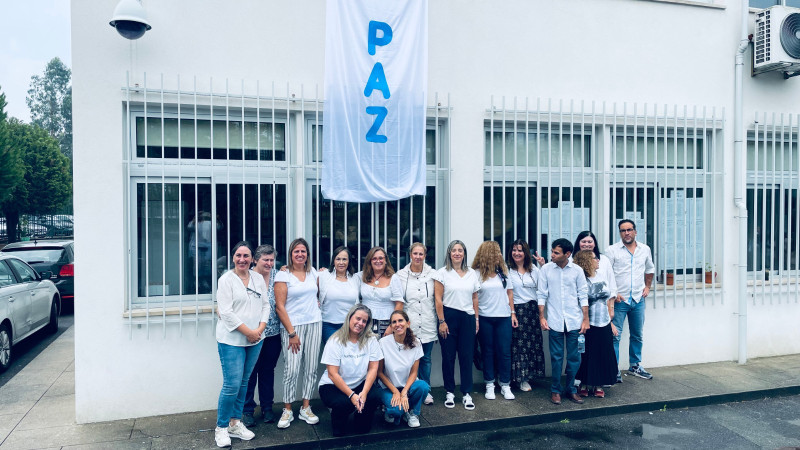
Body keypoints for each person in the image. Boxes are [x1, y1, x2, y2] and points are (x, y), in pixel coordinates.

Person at [214, 241, 270, 448]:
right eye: (238, 255)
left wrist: (260, 329)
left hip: (256, 339)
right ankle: (221, 427)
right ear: (233, 257)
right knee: (232, 385)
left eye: (246, 256)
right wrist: (249, 332)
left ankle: (235, 423)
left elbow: (266, 305)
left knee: (244, 382)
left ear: (252, 259)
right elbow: (226, 312)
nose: (242, 259)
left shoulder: (257, 278)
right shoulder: (226, 280)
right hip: (232, 340)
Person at [274, 238, 322, 429]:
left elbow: (318, 294)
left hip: (314, 324)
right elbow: (279, 307)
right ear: (291, 254)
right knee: (292, 369)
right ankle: (287, 409)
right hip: (292, 328)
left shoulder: (313, 273)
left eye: (303, 251)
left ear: (307, 254)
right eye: (296, 251)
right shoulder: (283, 275)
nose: (300, 254)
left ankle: (306, 407)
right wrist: (292, 333)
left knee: (311, 368)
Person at [537, 238, 589, 406]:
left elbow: (583, 295)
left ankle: (571, 389)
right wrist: (541, 317)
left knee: (575, 358)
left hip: (574, 321)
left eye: (556, 252)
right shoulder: (546, 269)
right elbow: (541, 294)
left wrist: (585, 320)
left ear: (567, 254)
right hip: (555, 320)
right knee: (556, 357)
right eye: (552, 251)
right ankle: (555, 390)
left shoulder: (577, 271)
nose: (552, 255)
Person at [318, 304, 383, 437]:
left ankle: (360, 417)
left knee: (375, 397)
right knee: (342, 408)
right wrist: (352, 395)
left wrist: (364, 393)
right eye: (358, 318)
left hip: (359, 384)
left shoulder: (371, 340)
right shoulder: (335, 340)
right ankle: (339, 416)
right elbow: (332, 374)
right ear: (349, 318)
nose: (360, 323)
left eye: (364, 321)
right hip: (333, 385)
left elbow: (373, 369)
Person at [605, 219, 655, 382]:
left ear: (635, 231)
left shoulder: (645, 249)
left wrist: (647, 287)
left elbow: (650, 269)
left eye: (629, 229)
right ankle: (613, 370)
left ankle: (635, 366)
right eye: (623, 230)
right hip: (619, 301)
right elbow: (606, 274)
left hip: (638, 299)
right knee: (615, 336)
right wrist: (614, 293)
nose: (626, 233)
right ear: (620, 233)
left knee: (637, 335)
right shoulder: (611, 251)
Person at [433, 240, 480, 410]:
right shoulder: (442, 273)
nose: (457, 253)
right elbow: (438, 299)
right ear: (449, 253)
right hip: (448, 317)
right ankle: (450, 392)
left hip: (467, 318)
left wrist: (476, 319)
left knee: (466, 356)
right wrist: (442, 321)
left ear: (464, 253)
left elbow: (475, 298)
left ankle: (467, 393)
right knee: (448, 357)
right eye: (454, 250)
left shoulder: (472, 273)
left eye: (460, 250)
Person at [390, 242, 437, 406]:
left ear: (425, 256)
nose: (418, 257)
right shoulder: (400, 275)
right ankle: (409, 390)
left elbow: (438, 299)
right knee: (408, 359)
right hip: (409, 325)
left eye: (421, 254)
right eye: (415, 253)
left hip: (428, 322)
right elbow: (398, 301)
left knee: (426, 359)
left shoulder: (433, 274)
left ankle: (426, 390)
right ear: (410, 255)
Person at [472, 241, 517, 401]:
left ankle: (505, 384)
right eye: (495, 252)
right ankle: (489, 384)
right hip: (485, 318)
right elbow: (474, 297)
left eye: (499, 252)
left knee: (504, 352)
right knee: (488, 352)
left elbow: (509, 293)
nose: (499, 255)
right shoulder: (476, 274)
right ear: (486, 255)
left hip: (504, 317)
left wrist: (513, 313)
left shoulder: (503, 272)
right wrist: (476, 319)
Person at [242, 245, 281, 426]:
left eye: (272, 260)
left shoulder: (278, 276)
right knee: (250, 372)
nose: (269, 263)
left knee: (267, 371)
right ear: (255, 260)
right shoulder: (247, 276)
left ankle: (267, 408)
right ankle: (247, 410)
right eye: (266, 260)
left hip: (273, 334)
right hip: (252, 333)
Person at [572, 250, 619, 398]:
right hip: (588, 322)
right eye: (594, 258)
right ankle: (585, 383)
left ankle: (599, 384)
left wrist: (610, 322)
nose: (598, 260)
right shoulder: (581, 279)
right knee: (587, 354)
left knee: (602, 353)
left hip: (603, 322)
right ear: (586, 261)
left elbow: (608, 298)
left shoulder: (601, 276)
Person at [378, 310, 430, 428]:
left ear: (408, 323)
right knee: (396, 411)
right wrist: (396, 392)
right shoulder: (383, 343)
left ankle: (412, 412)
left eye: (400, 320)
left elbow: (414, 372)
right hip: (388, 387)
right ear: (391, 326)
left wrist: (404, 392)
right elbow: (379, 373)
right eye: (394, 322)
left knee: (423, 386)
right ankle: (395, 410)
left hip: (408, 386)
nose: (397, 324)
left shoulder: (416, 343)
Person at [506, 239, 545, 392]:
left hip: (532, 311)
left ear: (526, 252)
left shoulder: (534, 269)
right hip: (517, 311)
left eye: (520, 250)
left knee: (532, 345)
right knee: (518, 346)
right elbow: (507, 294)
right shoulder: (507, 270)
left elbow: (543, 288)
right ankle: (519, 378)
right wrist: (512, 313)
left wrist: (543, 265)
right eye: (514, 250)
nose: (517, 253)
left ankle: (528, 376)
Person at [319, 246, 360, 343]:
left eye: (344, 259)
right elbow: (306, 279)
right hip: (329, 325)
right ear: (333, 261)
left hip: (350, 325)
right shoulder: (323, 275)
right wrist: (287, 270)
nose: (341, 262)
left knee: (349, 351)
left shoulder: (355, 278)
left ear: (349, 261)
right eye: (338, 259)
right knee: (334, 350)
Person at [358, 246, 403, 336]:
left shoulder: (393, 278)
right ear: (370, 261)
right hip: (365, 322)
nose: (378, 261)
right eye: (374, 258)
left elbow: (399, 304)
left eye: (381, 258)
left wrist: (391, 326)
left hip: (386, 323)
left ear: (386, 261)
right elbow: (344, 276)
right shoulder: (361, 276)